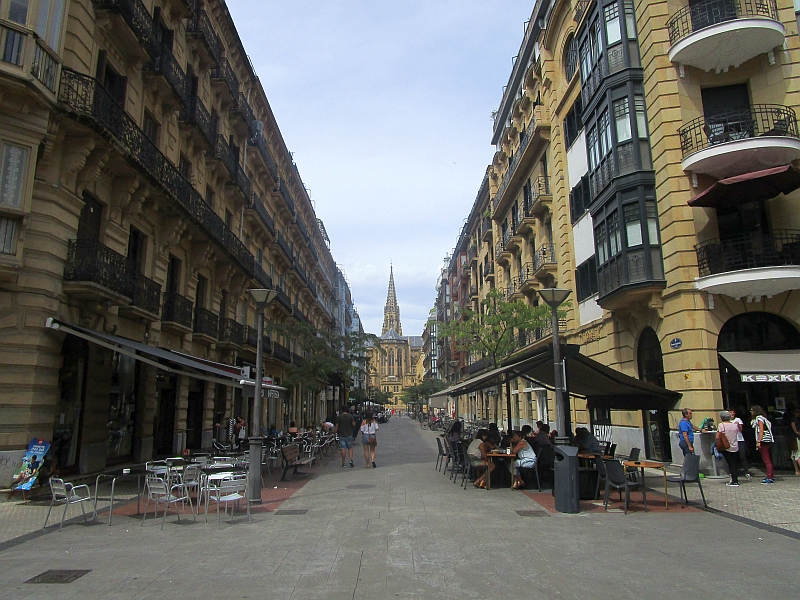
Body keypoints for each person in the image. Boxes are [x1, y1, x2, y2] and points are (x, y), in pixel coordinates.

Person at [750, 405, 775, 484]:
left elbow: (761, 430)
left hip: (763, 440)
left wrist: (759, 441)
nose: (751, 412)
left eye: (752, 410)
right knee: (767, 458)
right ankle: (770, 475)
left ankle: (769, 476)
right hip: (767, 440)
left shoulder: (759, 419)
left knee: (766, 459)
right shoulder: (763, 418)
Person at [717, 411, 740, 487]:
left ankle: (734, 481)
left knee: (730, 464)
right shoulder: (734, 425)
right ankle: (735, 479)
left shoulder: (721, 425)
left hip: (726, 446)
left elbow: (718, 436)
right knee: (735, 464)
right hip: (735, 445)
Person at [728, 407, 750, 479]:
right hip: (731, 440)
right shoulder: (727, 421)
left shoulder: (738, 420)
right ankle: (734, 472)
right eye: (730, 412)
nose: (732, 414)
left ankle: (746, 471)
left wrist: (738, 425)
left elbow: (741, 430)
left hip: (739, 439)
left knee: (742, 456)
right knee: (733, 457)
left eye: (733, 412)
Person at [789, 406, 800, 476]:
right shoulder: (794, 419)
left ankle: (797, 471)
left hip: (792, 438)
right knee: (798, 454)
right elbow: (793, 424)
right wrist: (796, 432)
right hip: (796, 438)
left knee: (794, 455)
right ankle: (797, 470)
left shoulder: (791, 419)